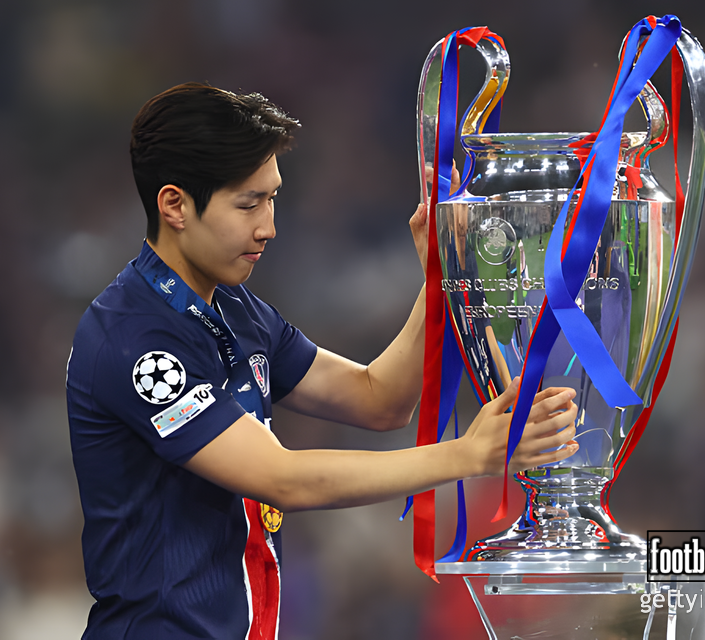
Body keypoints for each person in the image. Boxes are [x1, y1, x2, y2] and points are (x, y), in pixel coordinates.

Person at [66, 82, 579, 639]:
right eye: (248, 203)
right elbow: (283, 479)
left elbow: (379, 399)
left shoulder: (235, 309)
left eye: (272, 198)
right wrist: (468, 455)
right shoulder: (135, 338)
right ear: (174, 206)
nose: (268, 226)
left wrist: (441, 274)